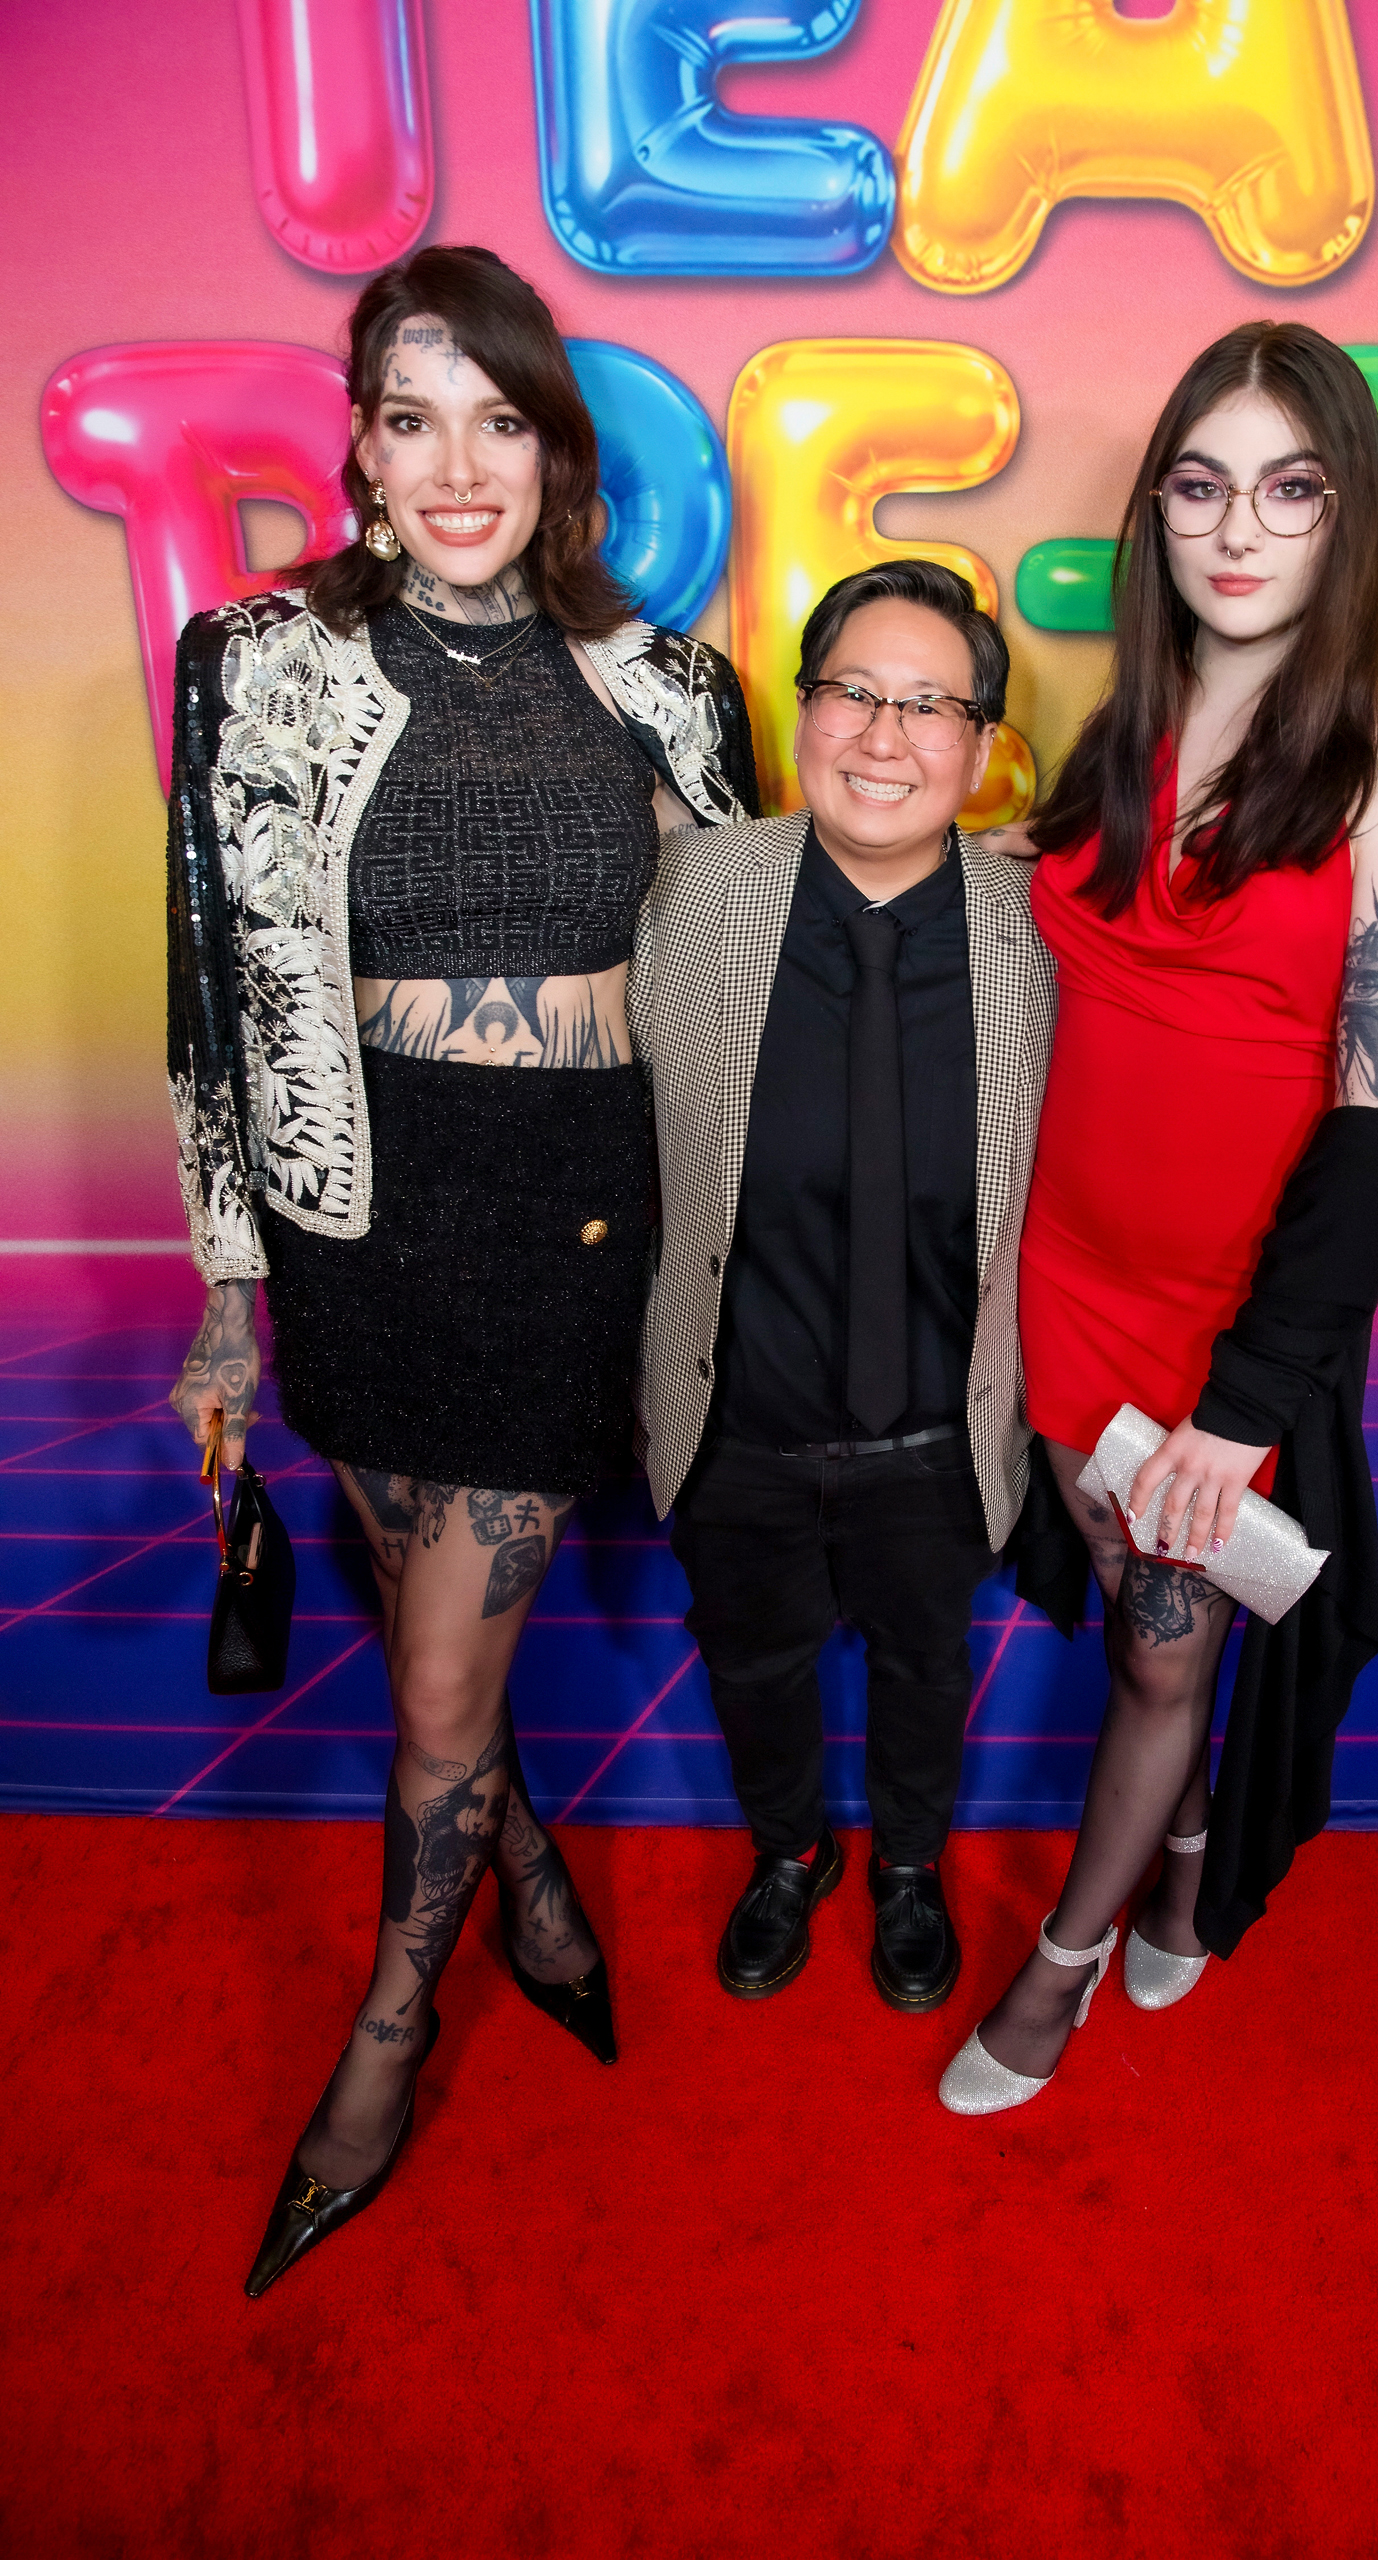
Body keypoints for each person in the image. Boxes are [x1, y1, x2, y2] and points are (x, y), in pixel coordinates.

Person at [165, 244, 758, 2288]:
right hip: (354, 1221)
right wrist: (227, 1292)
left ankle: (384, 2043)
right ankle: (540, 1889)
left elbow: (745, 961)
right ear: (359, 443)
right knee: (448, 1657)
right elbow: (213, 989)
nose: (456, 467)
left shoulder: (668, 683)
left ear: (554, 450)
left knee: (433, 1684)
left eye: (498, 421)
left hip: (576, 1218)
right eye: (412, 420)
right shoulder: (254, 659)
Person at [939, 320, 1378, 2114]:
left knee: (1171, 1648)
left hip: (1219, 1321)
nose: (1238, 529)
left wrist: (1245, 1410)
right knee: (1126, 1605)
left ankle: (1060, 1967)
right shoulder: (1130, 731)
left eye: (1289, 489)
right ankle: (1173, 1857)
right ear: (1157, 513)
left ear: (1348, 517)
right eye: (1200, 485)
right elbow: (1065, 929)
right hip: (1063, 1282)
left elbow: (1374, 1142)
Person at [627, 562, 1056, 2014]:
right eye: (852, 694)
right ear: (803, 711)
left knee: (929, 1664)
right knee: (753, 1666)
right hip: (737, 1412)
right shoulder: (696, 893)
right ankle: (790, 1852)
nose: (883, 736)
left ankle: (911, 1868)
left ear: (982, 749)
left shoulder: (1037, 936)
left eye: (929, 707)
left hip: (940, 1424)